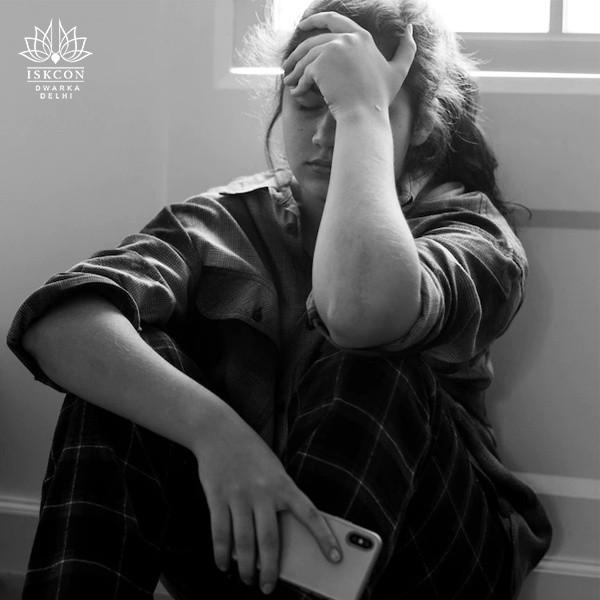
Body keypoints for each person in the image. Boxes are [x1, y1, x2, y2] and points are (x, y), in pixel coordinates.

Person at [7, 0, 552, 598]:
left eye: (346, 111)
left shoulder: (469, 230)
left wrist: (364, 111)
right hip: (247, 541)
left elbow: (359, 314)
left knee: (368, 363)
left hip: (424, 557)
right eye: (309, 104)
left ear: (418, 125)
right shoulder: (221, 223)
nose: (323, 136)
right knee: (123, 374)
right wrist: (216, 433)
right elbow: (56, 324)